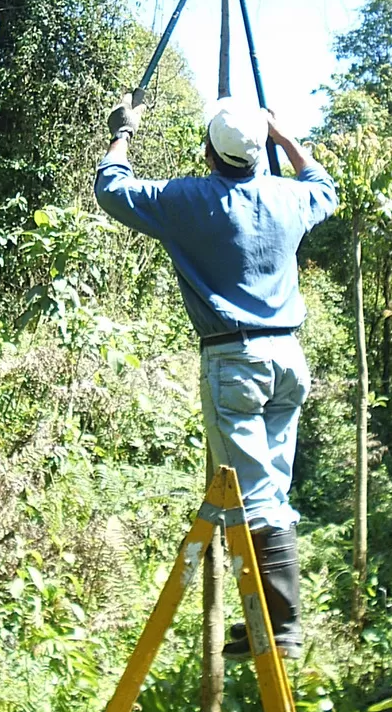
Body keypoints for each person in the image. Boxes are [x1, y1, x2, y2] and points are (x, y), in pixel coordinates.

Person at [94, 94, 338, 659]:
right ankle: (270, 621)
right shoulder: (287, 197)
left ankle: (280, 626)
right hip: (287, 362)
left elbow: (112, 187)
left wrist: (123, 133)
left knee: (253, 497)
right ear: (257, 155)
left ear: (208, 151)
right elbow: (325, 188)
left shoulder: (191, 200)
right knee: (271, 490)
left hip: (237, 364)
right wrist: (282, 136)